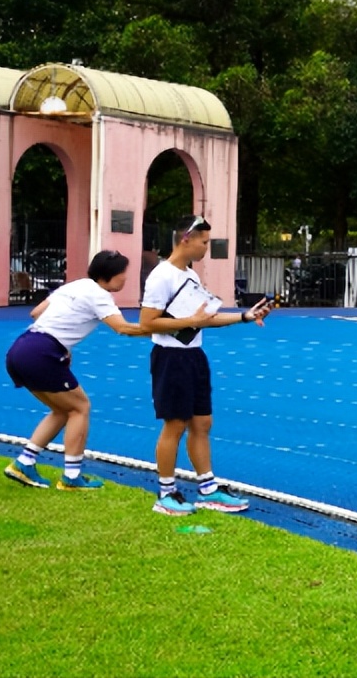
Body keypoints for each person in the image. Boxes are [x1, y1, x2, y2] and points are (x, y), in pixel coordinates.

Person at [140, 215, 271, 516]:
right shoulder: (162, 276)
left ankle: (208, 489)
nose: (206, 248)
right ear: (186, 238)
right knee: (175, 424)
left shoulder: (191, 275)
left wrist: (243, 317)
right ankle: (166, 493)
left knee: (202, 423)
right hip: (170, 357)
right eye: (204, 242)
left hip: (194, 356)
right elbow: (148, 323)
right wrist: (191, 322)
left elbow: (204, 320)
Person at [4, 251, 151, 490]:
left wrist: (63, 344)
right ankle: (71, 477)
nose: (126, 279)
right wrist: (163, 330)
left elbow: (36, 313)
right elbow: (122, 328)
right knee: (80, 407)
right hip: (42, 353)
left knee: (63, 410)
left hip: (21, 348)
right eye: (124, 273)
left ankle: (24, 463)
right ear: (111, 276)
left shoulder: (77, 285)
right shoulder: (101, 296)